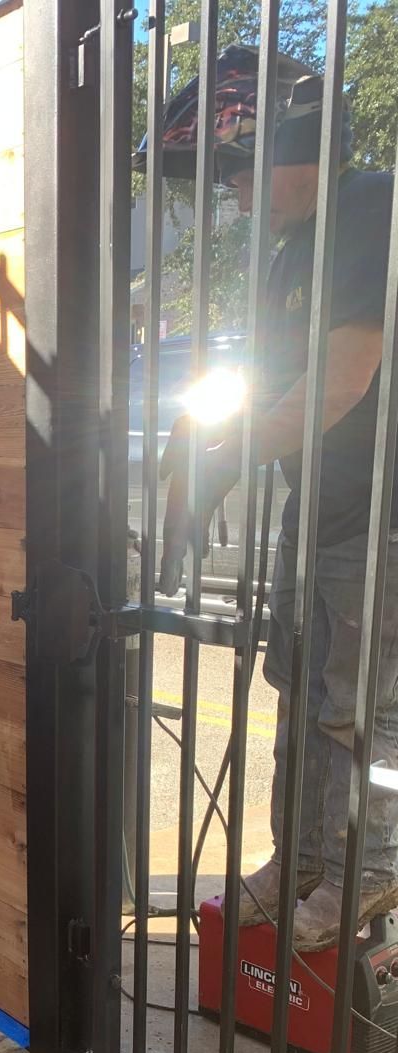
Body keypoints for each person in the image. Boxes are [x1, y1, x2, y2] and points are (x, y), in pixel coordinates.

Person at [152, 51, 398, 951]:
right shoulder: (293, 249)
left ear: (300, 147)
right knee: (298, 688)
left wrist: (229, 452)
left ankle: (368, 869)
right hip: (320, 507)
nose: (242, 199)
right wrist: (204, 441)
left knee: (364, 706)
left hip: (383, 518)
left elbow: (341, 382)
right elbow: (264, 380)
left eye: (245, 173)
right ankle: (300, 857)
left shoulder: (370, 207)